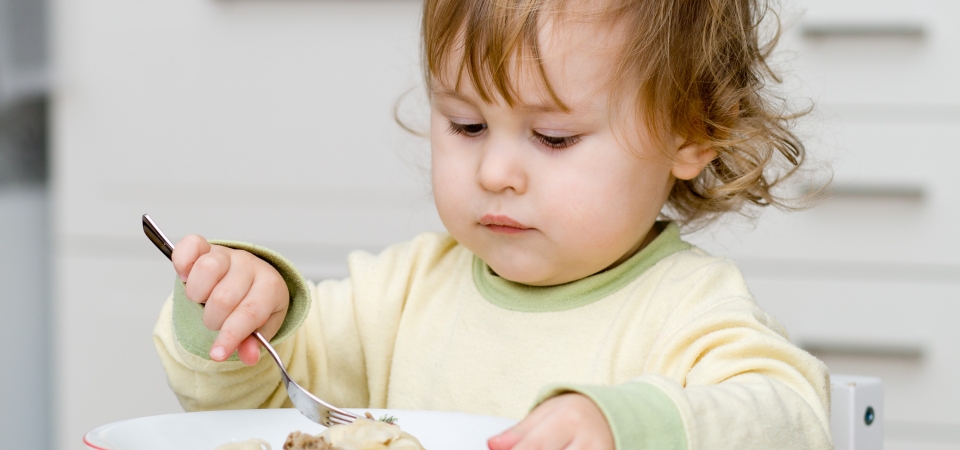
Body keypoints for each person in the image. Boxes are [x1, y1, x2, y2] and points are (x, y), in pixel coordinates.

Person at [153, 0, 831, 448]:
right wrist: (238, 313)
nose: (494, 171)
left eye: (554, 137)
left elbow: (791, 419)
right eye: (467, 125)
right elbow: (265, 405)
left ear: (692, 132)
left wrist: (628, 427)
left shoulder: (689, 309)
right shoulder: (401, 293)